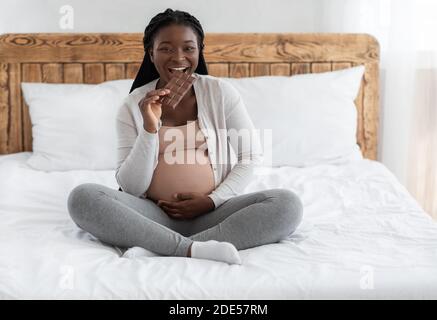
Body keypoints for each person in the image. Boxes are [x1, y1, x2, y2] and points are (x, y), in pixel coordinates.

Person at [67, 8, 303, 265]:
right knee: (83, 197)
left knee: (287, 204)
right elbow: (132, 187)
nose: (178, 57)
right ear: (151, 53)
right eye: (166, 48)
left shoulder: (220, 93)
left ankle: (159, 245)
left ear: (199, 51)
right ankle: (189, 248)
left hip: (215, 213)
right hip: (151, 213)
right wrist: (149, 126)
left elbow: (250, 157)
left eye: (188, 48)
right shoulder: (132, 106)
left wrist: (211, 202)